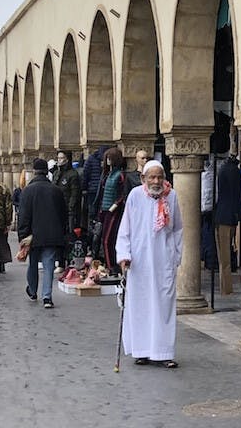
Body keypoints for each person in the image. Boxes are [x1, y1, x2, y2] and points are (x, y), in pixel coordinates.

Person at [116, 160, 183, 368]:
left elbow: (178, 229)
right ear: (144, 178)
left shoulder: (171, 196)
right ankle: (142, 350)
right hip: (139, 261)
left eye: (160, 177)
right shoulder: (136, 195)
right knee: (141, 305)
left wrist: (176, 256)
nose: (156, 181)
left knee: (164, 306)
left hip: (164, 260)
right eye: (152, 177)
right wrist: (124, 254)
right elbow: (125, 227)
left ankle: (164, 352)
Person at [17, 158, 67, 308]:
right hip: (52, 234)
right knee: (49, 265)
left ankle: (32, 291)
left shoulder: (28, 191)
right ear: (46, 172)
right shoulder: (56, 190)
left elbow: (23, 215)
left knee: (33, 264)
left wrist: (23, 236)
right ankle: (47, 297)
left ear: (34, 171)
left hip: (33, 235)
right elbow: (63, 213)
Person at [214, 154, 241, 295]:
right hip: (232, 216)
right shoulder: (236, 171)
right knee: (227, 255)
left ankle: (226, 288)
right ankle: (226, 287)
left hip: (223, 216)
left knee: (224, 256)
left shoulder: (224, 170)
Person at [52, 150, 81, 269]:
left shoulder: (72, 175)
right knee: (57, 236)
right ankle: (59, 260)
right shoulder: (56, 173)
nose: (59, 160)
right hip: (56, 209)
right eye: (58, 158)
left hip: (67, 210)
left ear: (67, 159)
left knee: (68, 236)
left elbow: (75, 194)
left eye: (61, 158)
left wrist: (71, 209)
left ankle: (67, 261)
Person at [99, 147, 125, 275]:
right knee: (106, 238)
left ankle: (112, 266)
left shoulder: (119, 175)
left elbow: (121, 194)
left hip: (113, 210)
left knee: (108, 239)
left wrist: (114, 206)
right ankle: (110, 264)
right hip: (105, 209)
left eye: (110, 158)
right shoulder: (108, 174)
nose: (108, 161)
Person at [82, 145, 108, 224]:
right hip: (94, 189)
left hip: (95, 188)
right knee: (93, 210)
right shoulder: (92, 159)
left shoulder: (91, 159)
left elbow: (85, 174)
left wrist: (84, 187)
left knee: (93, 211)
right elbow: (85, 174)